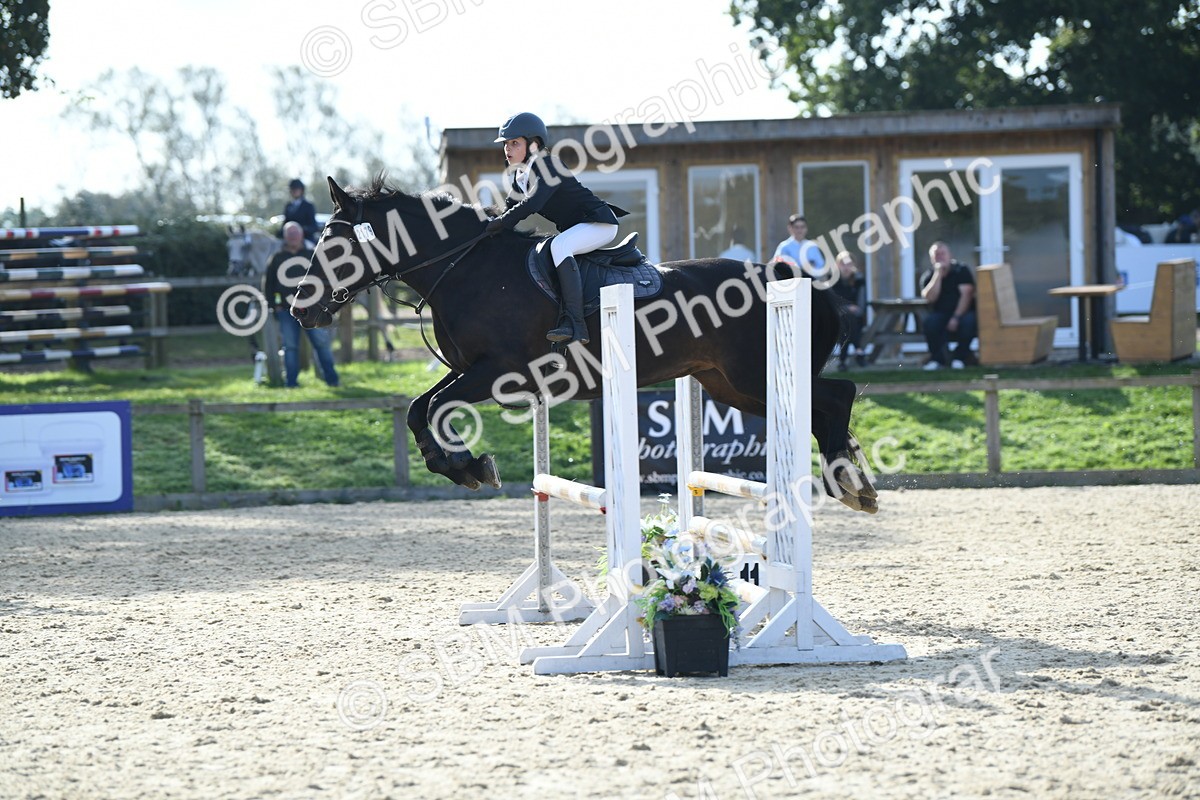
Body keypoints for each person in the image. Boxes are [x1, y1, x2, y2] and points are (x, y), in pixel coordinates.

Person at [485, 112, 628, 345]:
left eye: (514, 143)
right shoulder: (521, 176)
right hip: (581, 227)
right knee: (553, 247)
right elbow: (508, 210)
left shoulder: (549, 164)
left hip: (599, 223)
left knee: (558, 245)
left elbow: (533, 203)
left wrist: (501, 223)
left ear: (534, 144)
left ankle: (576, 323)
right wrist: (485, 226)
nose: (507, 149)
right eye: (505, 144)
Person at [262, 222, 340, 388]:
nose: (293, 238)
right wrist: (273, 306)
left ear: (301, 235)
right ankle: (291, 384)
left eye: (295, 234)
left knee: (321, 344)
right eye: (290, 235)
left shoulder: (312, 255)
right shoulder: (277, 258)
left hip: (313, 309)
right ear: (285, 237)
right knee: (290, 347)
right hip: (286, 310)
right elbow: (268, 285)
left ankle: (332, 381)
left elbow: (326, 280)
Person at [919, 241, 978, 370]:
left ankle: (960, 357)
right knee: (931, 323)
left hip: (963, 312)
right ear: (931, 258)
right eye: (936, 255)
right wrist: (938, 274)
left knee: (969, 322)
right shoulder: (928, 275)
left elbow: (967, 294)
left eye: (942, 254)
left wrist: (956, 317)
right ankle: (937, 359)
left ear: (950, 255)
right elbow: (929, 297)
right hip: (941, 313)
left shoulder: (961, 270)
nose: (940, 257)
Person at [829, 251, 867, 370]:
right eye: (843, 264)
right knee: (845, 319)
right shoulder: (832, 280)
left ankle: (843, 360)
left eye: (849, 264)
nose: (846, 267)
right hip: (835, 318)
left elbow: (861, 306)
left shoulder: (859, 280)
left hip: (856, 319)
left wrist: (848, 309)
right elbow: (831, 303)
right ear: (837, 265)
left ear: (853, 265)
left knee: (847, 321)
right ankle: (858, 350)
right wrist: (848, 307)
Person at [282, 178, 320, 243]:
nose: (294, 191)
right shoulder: (288, 206)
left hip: (305, 238)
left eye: (296, 189)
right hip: (289, 239)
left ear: (301, 190)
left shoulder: (308, 206)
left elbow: (314, 226)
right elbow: (285, 223)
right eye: (292, 189)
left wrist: (299, 230)